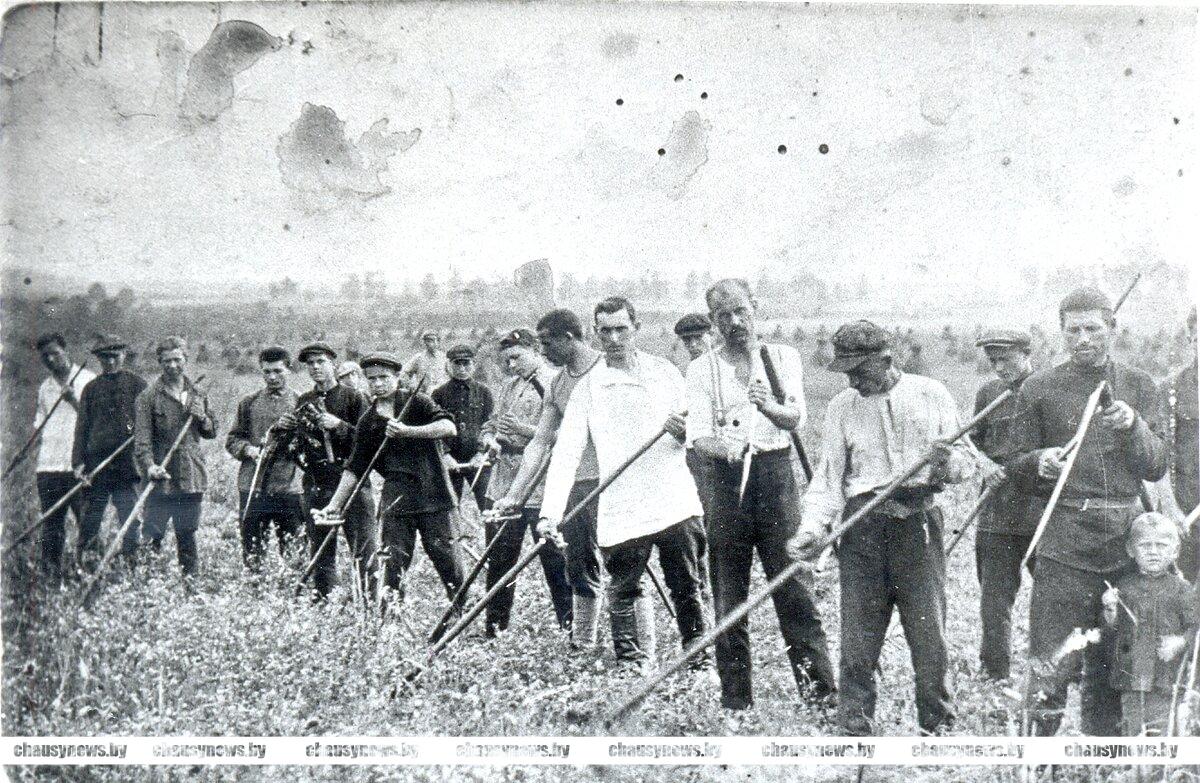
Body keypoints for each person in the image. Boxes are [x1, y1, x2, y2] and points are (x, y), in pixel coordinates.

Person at [790, 319, 973, 736]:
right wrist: (811, 529)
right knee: (858, 644)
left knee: (930, 642)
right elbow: (829, 479)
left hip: (918, 527)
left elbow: (964, 463)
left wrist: (944, 464)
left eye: (860, 370)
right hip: (863, 533)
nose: (853, 380)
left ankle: (937, 731)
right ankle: (855, 732)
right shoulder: (841, 407)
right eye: (847, 372)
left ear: (887, 359)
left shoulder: (932, 394)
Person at [1006, 286, 1169, 736]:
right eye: (1072, 330)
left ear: (1111, 329)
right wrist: (1038, 462)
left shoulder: (1139, 385)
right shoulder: (1039, 388)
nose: (1082, 339)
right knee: (1051, 661)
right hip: (1065, 543)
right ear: (1060, 333)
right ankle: (1039, 761)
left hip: (1124, 544)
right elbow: (1014, 464)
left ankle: (1103, 759)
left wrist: (1134, 426)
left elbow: (1156, 465)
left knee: (1118, 659)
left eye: (1092, 329)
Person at [687, 279, 835, 713]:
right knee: (729, 598)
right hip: (725, 485)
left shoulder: (783, 358)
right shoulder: (702, 370)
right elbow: (698, 437)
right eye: (723, 316)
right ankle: (736, 705)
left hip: (775, 480)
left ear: (755, 308)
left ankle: (821, 700)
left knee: (794, 591)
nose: (734, 323)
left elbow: (796, 418)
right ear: (713, 322)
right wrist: (724, 448)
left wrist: (767, 405)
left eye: (740, 312)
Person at [541, 297, 710, 673]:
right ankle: (634, 666)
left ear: (636, 328)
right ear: (596, 333)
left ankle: (700, 664)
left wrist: (687, 431)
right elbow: (566, 452)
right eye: (606, 331)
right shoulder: (590, 386)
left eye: (621, 329)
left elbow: (699, 427)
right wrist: (550, 514)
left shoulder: (664, 371)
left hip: (673, 498)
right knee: (624, 589)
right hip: (622, 503)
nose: (614, 338)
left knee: (688, 586)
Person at [492, 309, 606, 650]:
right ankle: (584, 643)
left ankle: (637, 650)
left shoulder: (606, 369)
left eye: (545, 343)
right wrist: (515, 493)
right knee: (580, 565)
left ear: (568, 338)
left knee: (625, 563)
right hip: (576, 484)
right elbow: (540, 442)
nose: (542, 351)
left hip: (613, 478)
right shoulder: (558, 383)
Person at [315, 352, 462, 608]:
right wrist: (333, 505)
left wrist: (409, 431)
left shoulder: (417, 403)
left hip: (434, 494)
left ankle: (461, 611)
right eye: (371, 379)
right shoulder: (368, 421)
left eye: (384, 377)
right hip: (396, 501)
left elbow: (449, 427)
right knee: (392, 565)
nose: (378, 384)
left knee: (448, 561)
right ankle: (390, 621)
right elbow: (355, 468)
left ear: (396, 377)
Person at [478, 328, 571, 636]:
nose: (512, 365)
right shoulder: (508, 386)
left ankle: (569, 626)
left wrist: (524, 429)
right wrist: (490, 439)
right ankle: (495, 629)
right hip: (504, 481)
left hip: (540, 481)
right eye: (507, 360)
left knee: (554, 558)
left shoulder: (555, 382)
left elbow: (567, 436)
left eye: (517, 357)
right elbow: (490, 423)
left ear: (534, 349)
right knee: (500, 557)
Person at [970, 329, 1044, 681]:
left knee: (1052, 598)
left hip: (1042, 511)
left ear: (1027, 352)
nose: (1000, 368)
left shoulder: (1048, 388)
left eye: (1006, 359)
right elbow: (972, 444)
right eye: (993, 361)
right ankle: (994, 673)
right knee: (994, 602)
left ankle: (1057, 672)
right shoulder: (988, 394)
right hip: (997, 511)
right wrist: (985, 465)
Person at [277, 342, 377, 599]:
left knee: (363, 551)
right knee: (321, 552)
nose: (315, 368)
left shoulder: (354, 397)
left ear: (333, 363)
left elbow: (372, 441)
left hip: (352, 484)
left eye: (320, 362)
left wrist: (339, 425)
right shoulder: (305, 400)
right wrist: (289, 429)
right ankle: (326, 604)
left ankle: (368, 608)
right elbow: (299, 445)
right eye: (310, 363)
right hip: (317, 484)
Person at [1101, 512, 1198, 736]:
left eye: (1161, 545)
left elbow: (1196, 627)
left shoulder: (1182, 589)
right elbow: (1109, 630)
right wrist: (1110, 609)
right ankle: (1136, 769)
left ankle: (1156, 769)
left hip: (1166, 677)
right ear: (1131, 550)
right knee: (1134, 730)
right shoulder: (1123, 587)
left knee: (1163, 730)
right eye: (1145, 546)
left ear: (1175, 551)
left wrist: (1181, 642)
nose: (1153, 552)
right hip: (1132, 678)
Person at [133, 336, 217, 577]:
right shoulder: (147, 398)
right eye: (166, 361)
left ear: (186, 360)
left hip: (190, 474)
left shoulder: (198, 393)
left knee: (187, 532)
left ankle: (191, 586)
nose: (172, 365)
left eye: (177, 360)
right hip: (161, 475)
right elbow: (142, 441)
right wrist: (149, 467)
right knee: (153, 534)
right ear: (159, 362)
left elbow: (211, 431)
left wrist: (202, 417)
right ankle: (149, 586)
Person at [225, 346, 305, 570]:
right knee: (252, 550)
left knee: (293, 550)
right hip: (254, 485)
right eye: (267, 372)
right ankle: (254, 591)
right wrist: (248, 450)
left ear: (289, 370)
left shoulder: (300, 402)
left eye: (278, 371)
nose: (272, 377)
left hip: (289, 486)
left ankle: (293, 594)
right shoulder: (248, 403)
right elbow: (232, 439)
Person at [72, 334, 146, 570]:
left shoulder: (138, 385)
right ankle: (86, 564)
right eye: (105, 357)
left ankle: (130, 562)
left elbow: (148, 424)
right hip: (97, 466)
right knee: (91, 518)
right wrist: (79, 462)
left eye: (115, 356)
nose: (110, 362)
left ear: (124, 355)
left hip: (127, 464)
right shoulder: (91, 389)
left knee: (130, 516)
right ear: (99, 359)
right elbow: (81, 427)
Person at [31, 333, 96, 585]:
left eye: (55, 353)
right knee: (52, 527)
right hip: (48, 466)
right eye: (45, 356)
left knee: (87, 524)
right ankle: (51, 580)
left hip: (79, 465)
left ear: (65, 350)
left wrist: (73, 401)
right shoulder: (45, 388)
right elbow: (40, 425)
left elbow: (96, 423)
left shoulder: (88, 381)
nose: (50, 359)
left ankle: (90, 576)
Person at [1157, 307, 1198, 580]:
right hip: (1185, 514)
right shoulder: (1170, 389)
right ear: (1192, 338)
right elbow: (1157, 455)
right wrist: (1170, 508)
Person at [431, 343, 495, 513]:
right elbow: (434, 429)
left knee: (489, 506)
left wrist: (481, 453)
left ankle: (493, 540)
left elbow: (490, 425)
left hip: (479, 460)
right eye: (456, 364)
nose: (461, 368)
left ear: (473, 364)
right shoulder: (438, 394)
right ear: (449, 365)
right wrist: (444, 454)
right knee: (448, 508)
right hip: (450, 461)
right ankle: (455, 540)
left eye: (466, 363)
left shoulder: (484, 392)